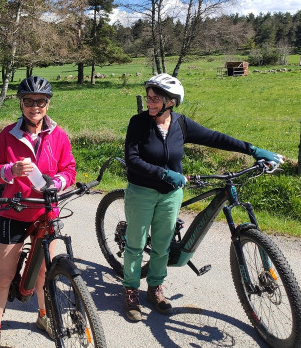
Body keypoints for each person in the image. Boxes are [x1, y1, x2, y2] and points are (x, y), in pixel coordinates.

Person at [122, 73, 284, 321]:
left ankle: (155, 288)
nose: (150, 102)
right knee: (135, 244)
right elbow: (133, 161)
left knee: (162, 245)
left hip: (170, 195)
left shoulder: (181, 124)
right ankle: (131, 290)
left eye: (156, 98)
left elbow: (216, 138)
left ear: (171, 101)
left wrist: (252, 150)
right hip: (142, 191)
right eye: (148, 97)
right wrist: (164, 173)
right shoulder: (138, 123)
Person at [0, 76, 76, 348]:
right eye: (28, 101)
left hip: (45, 211)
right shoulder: (8, 135)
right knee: (3, 277)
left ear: (48, 104)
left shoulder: (58, 135)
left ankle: (44, 316)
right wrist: (9, 171)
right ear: (21, 103)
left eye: (40, 101)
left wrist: (58, 182)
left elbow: (69, 169)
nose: (34, 106)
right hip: (15, 210)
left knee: (44, 272)